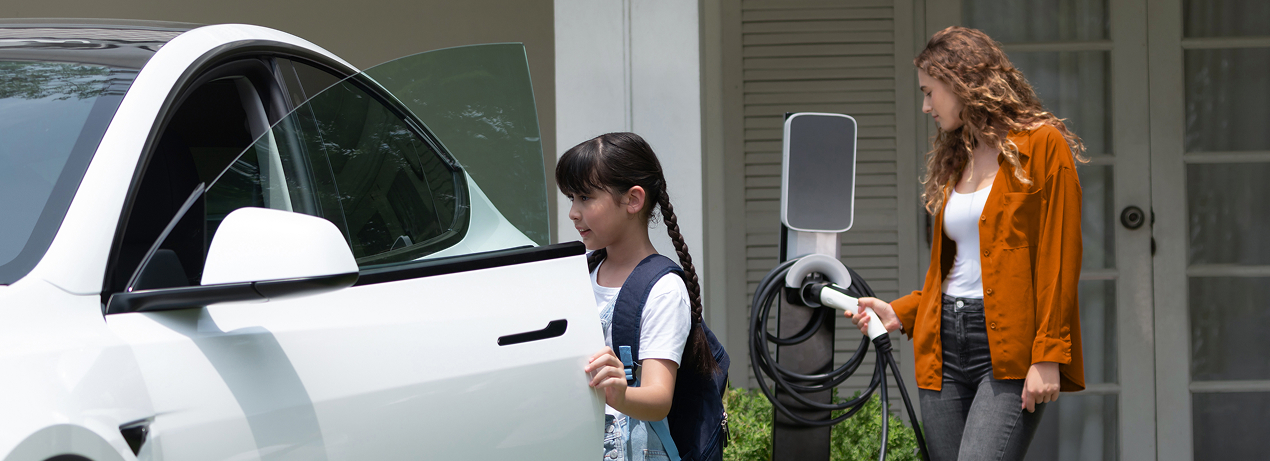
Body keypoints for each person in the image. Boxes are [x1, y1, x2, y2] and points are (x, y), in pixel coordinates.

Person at [847, 26, 1087, 461]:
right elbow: (958, 270)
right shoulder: (959, 156)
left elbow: (1060, 259)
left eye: (929, 93)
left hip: (1009, 350)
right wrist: (902, 312)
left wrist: (1048, 353)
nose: (925, 107)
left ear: (961, 83)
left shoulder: (1042, 145)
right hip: (943, 348)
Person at [558, 132, 719, 461]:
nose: (573, 212)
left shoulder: (663, 289)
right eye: (571, 198)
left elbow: (659, 399)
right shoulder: (580, 273)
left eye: (585, 197)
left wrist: (620, 393)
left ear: (633, 200)